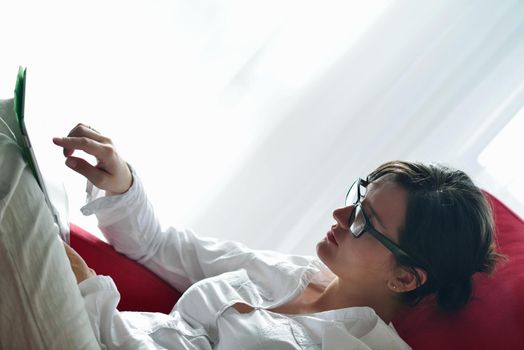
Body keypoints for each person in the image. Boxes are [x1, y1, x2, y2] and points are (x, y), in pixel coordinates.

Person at [52, 123, 502, 349]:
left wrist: (89, 296)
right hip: (96, 326)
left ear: (405, 278)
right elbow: (161, 248)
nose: (340, 214)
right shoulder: (289, 273)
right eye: (358, 196)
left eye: (365, 221)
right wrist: (123, 184)